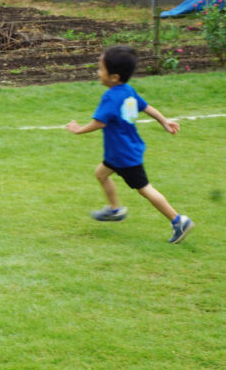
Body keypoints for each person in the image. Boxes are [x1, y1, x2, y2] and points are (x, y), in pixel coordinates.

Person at [65, 45, 194, 244]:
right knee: (101, 173)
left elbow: (100, 121)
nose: (97, 73)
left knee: (145, 189)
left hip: (124, 156)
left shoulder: (110, 96)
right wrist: (164, 121)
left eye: (100, 69)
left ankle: (178, 220)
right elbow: (146, 107)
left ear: (114, 77)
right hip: (122, 152)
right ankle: (115, 210)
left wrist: (78, 129)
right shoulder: (128, 90)